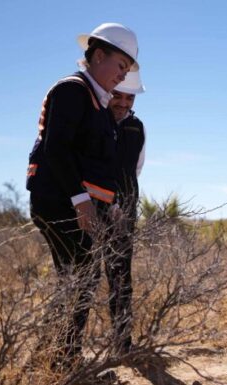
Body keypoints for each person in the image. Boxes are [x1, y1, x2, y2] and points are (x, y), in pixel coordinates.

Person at [26, 22, 139, 368]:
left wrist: (113, 205)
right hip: (60, 202)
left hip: (81, 205)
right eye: (121, 66)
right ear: (98, 55)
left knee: (78, 279)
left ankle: (54, 359)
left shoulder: (99, 106)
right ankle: (61, 363)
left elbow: (98, 167)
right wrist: (81, 200)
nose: (123, 76)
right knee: (82, 277)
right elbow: (56, 149)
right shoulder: (72, 91)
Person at [105, 70, 146, 355]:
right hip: (94, 206)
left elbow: (136, 167)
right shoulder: (94, 120)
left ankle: (122, 345)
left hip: (126, 209)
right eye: (117, 95)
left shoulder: (137, 126)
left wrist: (124, 204)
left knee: (121, 277)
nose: (122, 103)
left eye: (129, 97)